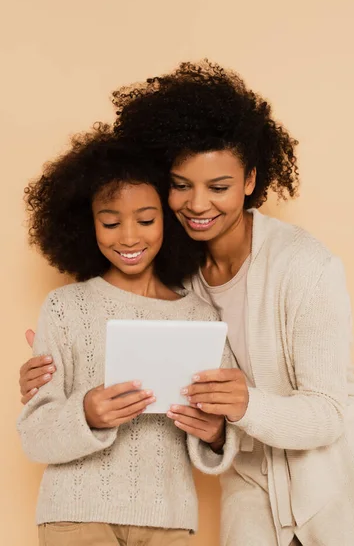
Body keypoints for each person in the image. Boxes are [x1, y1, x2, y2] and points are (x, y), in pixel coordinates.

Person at [19, 61, 354, 546]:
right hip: (248, 493)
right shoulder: (181, 278)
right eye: (181, 185)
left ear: (250, 180)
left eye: (218, 187)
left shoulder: (304, 266)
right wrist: (56, 371)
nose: (198, 205)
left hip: (331, 494)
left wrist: (243, 407)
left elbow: (328, 411)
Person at [17, 124, 240, 546]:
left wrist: (214, 433)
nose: (130, 236)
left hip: (171, 519)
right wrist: (87, 413)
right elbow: (34, 435)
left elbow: (223, 425)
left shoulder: (201, 316)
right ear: (87, 225)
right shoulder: (65, 307)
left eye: (146, 219)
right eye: (110, 221)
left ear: (169, 221)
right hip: (75, 515)